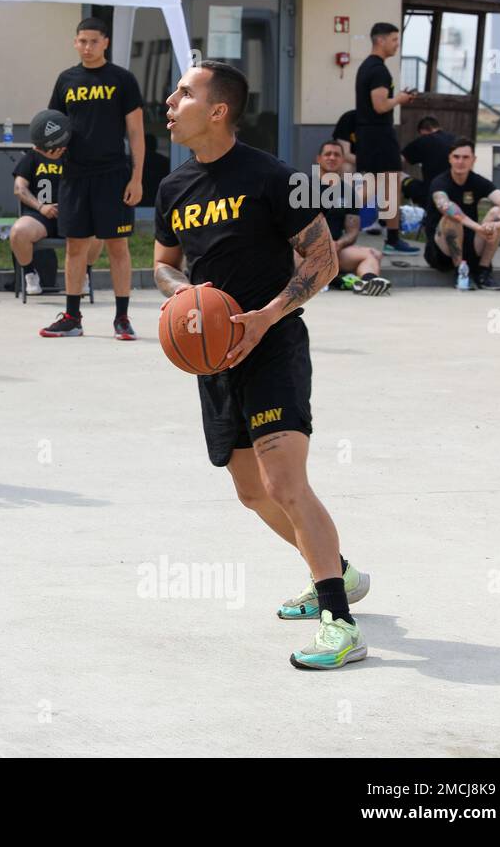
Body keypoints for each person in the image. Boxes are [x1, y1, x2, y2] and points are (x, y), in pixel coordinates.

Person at [153, 60, 371, 669]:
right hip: (214, 354)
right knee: (251, 491)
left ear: (218, 110)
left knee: (284, 483)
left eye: (184, 93)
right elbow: (164, 263)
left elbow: (323, 261)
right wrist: (186, 296)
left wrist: (266, 316)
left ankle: (339, 622)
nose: (170, 101)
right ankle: (338, 572)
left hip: (272, 344)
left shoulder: (276, 176)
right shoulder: (174, 188)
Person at [41, 17, 145, 340]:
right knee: (75, 247)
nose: (87, 47)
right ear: (75, 42)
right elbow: (51, 127)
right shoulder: (65, 81)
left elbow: (136, 132)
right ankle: (72, 317)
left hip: (113, 176)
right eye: (82, 41)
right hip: (74, 175)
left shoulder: (122, 80)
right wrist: (49, 151)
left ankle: (122, 318)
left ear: (106, 43)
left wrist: (137, 178)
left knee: (117, 247)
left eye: (94, 42)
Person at [9, 109, 100, 296]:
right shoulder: (33, 156)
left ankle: (83, 274)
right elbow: (19, 188)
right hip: (40, 215)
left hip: (73, 215)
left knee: (99, 232)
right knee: (18, 231)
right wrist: (41, 207)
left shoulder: (76, 156)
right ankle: (29, 274)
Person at [353, 22, 420, 255]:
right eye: (394, 40)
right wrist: (400, 99)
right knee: (388, 184)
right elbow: (380, 105)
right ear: (380, 40)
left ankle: (330, 218)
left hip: (370, 134)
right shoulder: (379, 70)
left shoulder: (367, 67)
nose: (397, 45)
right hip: (378, 133)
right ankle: (391, 238)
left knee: (380, 184)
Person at [425, 137, 500, 290]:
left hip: (471, 245)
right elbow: (446, 207)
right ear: (450, 159)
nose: (461, 161)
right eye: (456, 157)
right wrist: (478, 228)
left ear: (474, 160)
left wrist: (497, 223)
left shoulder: (477, 181)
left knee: (497, 212)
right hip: (442, 250)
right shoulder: (440, 182)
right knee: (452, 217)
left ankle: (483, 271)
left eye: (466, 157)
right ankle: (461, 272)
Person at [314, 141, 390, 296]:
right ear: (318, 159)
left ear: (342, 160)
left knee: (372, 254)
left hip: (334, 250)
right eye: (327, 154)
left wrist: (339, 244)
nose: (332, 158)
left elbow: (352, 231)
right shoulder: (304, 187)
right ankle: (333, 279)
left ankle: (368, 282)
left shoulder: (348, 193)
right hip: (307, 251)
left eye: (337, 155)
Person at [400, 115, 456, 209]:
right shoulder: (456, 139)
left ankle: (391, 217)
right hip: (454, 195)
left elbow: (397, 160)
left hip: (430, 194)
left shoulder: (424, 140)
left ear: (423, 131)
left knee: (396, 176)